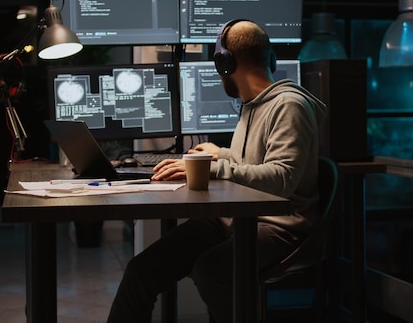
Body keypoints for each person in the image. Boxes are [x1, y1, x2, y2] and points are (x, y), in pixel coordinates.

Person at [107, 19, 328, 323]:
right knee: (141, 270)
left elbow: (281, 179)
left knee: (211, 270)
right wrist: (219, 155)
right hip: (236, 219)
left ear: (225, 63)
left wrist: (215, 169)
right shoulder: (252, 104)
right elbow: (251, 161)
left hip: (279, 227)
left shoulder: (289, 106)